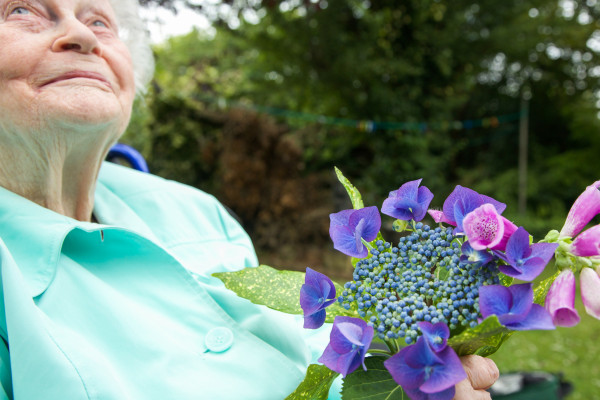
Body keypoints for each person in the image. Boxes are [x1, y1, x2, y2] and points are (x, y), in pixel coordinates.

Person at [0, 0, 498, 398]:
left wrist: (410, 381)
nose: (83, 36)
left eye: (100, 20)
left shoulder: (196, 210)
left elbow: (316, 358)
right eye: (21, 10)